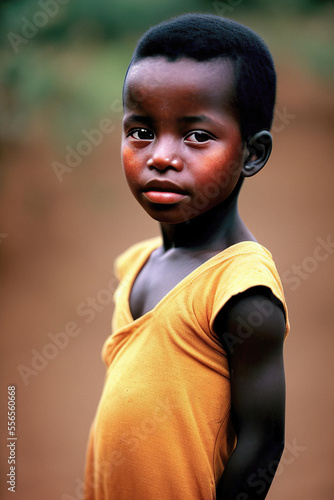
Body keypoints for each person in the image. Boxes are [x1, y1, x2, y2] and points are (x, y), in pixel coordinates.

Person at [84, 13, 290, 500]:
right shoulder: (136, 265)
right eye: (141, 131)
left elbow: (263, 444)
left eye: (197, 136)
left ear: (252, 154)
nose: (160, 156)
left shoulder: (241, 292)